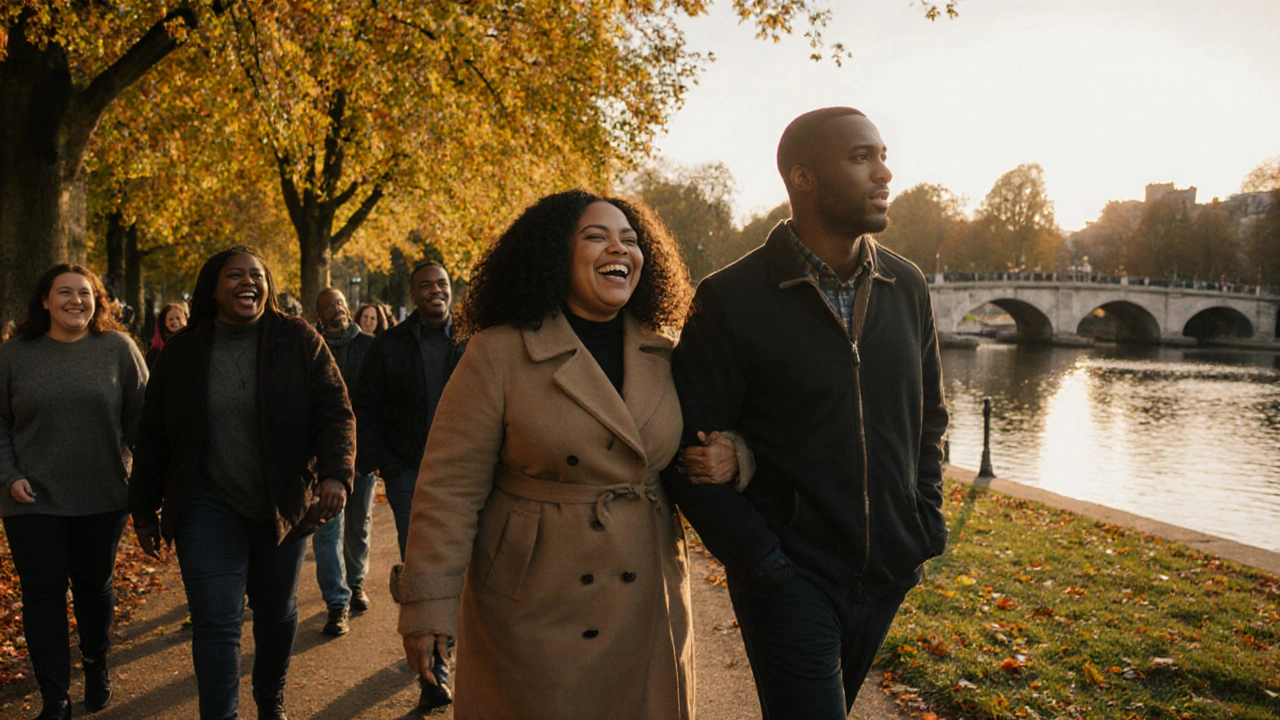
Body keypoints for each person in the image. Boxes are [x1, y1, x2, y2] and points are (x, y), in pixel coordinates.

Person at [393, 189, 740, 719]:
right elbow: (449, 488)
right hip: (535, 602)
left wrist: (735, 453)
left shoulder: (666, 349)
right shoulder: (497, 353)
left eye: (630, 239)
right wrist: (427, 607)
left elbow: (714, 431)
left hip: (645, 595)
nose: (618, 249)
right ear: (556, 253)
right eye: (596, 236)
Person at [663, 107, 950, 719]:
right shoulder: (731, 298)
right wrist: (760, 560)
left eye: (882, 154)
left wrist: (923, 526)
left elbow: (930, 420)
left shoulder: (909, 285)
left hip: (885, 572)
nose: (885, 173)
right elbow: (684, 449)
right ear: (803, 177)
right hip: (790, 576)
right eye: (861, 157)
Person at [128, 246, 356, 720]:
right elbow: (152, 434)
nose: (248, 282)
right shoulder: (183, 352)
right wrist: (144, 507)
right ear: (213, 286)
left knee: (276, 613)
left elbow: (335, 409)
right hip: (205, 504)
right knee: (216, 622)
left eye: (257, 274)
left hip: (282, 503)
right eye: (235, 275)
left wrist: (335, 472)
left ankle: (269, 694)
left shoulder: (297, 339)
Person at [0, 263, 148, 720]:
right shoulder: (14, 354)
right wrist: (8, 474)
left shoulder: (118, 349)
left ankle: (96, 664)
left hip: (101, 494)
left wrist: (149, 480)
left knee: (92, 587)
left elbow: (144, 423)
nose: (75, 301)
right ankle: (55, 697)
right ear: (44, 300)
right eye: (64, 293)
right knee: (43, 594)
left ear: (97, 301)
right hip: (30, 496)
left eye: (85, 294)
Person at [352, 261, 463, 561]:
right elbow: (366, 405)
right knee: (417, 561)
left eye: (442, 283)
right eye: (426, 285)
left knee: (467, 561)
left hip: (466, 472)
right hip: (407, 472)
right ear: (413, 296)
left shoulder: (472, 340)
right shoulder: (389, 344)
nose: (436, 290)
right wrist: (384, 462)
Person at [311, 288, 376, 636]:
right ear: (319, 315)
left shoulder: (367, 346)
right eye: (328, 307)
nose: (336, 310)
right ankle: (337, 603)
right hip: (323, 458)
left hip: (362, 452)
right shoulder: (310, 347)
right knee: (326, 530)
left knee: (358, 525)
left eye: (340, 304)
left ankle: (356, 582)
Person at [145, 301, 189, 368]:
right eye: (171, 319)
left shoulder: (192, 345)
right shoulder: (156, 353)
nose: (175, 322)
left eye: (178, 318)